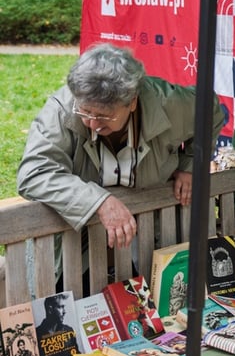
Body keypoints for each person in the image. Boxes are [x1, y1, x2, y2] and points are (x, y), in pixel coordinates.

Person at [17, 44, 224, 254]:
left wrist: (190, 163)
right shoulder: (62, 110)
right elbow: (34, 173)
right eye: (86, 112)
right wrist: (99, 201)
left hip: (153, 235)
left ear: (132, 102)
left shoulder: (168, 103)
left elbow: (210, 111)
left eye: (105, 116)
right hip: (81, 244)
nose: (93, 124)